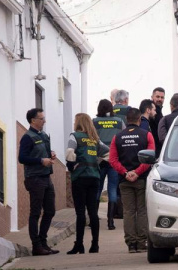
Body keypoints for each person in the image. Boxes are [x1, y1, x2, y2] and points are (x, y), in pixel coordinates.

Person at [109, 108, 155, 253]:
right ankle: (142, 242)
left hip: (124, 180)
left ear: (126, 120)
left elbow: (112, 160)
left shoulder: (117, 137)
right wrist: (137, 172)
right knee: (141, 210)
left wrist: (125, 172)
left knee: (128, 211)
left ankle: (131, 244)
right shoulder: (147, 135)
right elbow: (150, 157)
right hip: (141, 179)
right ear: (139, 119)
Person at [65, 113, 109, 254]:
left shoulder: (75, 136)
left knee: (80, 213)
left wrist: (73, 165)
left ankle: (79, 245)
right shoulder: (95, 139)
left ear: (78, 122)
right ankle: (95, 245)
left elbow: (69, 153)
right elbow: (109, 153)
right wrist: (97, 162)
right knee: (93, 212)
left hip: (80, 177)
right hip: (94, 177)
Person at [18, 108, 58, 256]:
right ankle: (36, 246)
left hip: (46, 177)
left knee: (50, 211)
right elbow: (22, 158)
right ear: (33, 120)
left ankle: (43, 242)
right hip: (34, 178)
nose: (44, 121)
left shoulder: (43, 135)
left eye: (44, 118)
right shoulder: (27, 137)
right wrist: (41, 160)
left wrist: (51, 154)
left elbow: (45, 152)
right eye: (41, 118)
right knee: (35, 212)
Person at [92, 99, 126, 230]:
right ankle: (110, 222)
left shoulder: (94, 122)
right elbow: (123, 137)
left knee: (98, 189)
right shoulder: (118, 121)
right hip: (113, 160)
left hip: (99, 160)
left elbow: (91, 138)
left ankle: (93, 220)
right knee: (112, 189)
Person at [149, 87, 165, 157]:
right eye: (157, 97)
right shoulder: (154, 111)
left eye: (162, 97)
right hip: (154, 148)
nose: (160, 99)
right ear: (152, 97)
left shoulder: (159, 111)